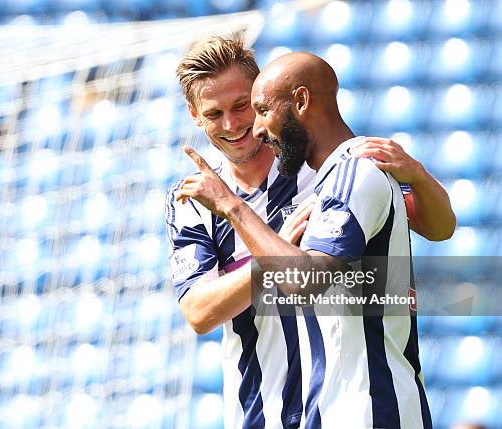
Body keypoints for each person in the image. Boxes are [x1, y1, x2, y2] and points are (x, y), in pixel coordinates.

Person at [167, 37, 454, 428]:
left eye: (242, 107)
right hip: (259, 408)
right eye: (214, 113)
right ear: (194, 115)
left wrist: (417, 174)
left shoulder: (320, 164)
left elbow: (435, 225)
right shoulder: (198, 199)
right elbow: (199, 313)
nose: (233, 125)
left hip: (347, 402)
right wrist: (273, 256)